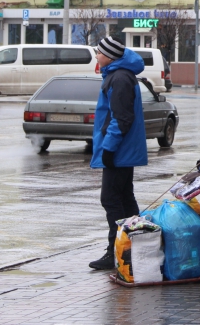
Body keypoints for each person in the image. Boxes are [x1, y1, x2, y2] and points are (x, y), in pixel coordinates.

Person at [88, 36, 148, 270]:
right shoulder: (118, 75)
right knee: (124, 198)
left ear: (110, 56)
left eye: (99, 53)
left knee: (111, 199)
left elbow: (121, 118)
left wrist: (108, 149)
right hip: (123, 151)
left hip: (119, 151)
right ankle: (134, 247)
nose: (97, 56)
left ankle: (116, 252)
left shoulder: (120, 78)